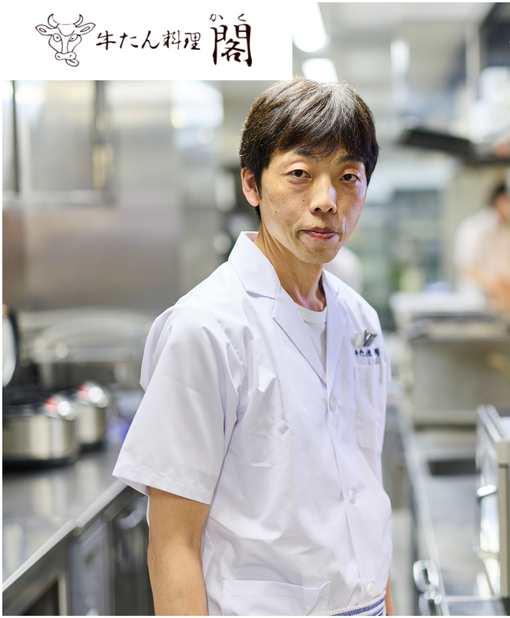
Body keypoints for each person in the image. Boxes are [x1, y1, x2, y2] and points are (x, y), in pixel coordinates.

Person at [113, 78, 394, 616]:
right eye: (300, 174)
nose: (326, 202)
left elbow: (366, 501)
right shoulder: (206, 328)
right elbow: (173, 545)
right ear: (252, 184)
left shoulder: (362, 322)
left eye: (348, 177)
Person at [453, 183, 510, 292]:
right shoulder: (478, 227)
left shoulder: (509, 230)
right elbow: (468, 269)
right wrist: (494, 283)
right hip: (478, 295)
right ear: (500, 200)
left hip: (501, 295)